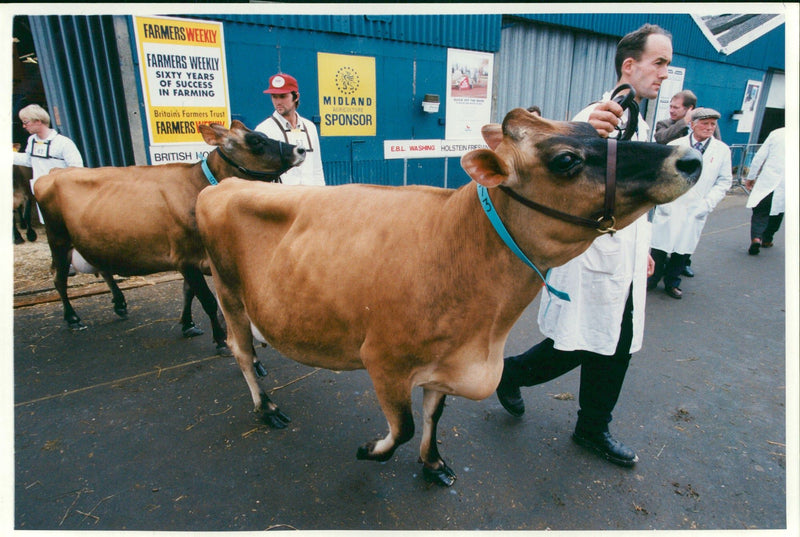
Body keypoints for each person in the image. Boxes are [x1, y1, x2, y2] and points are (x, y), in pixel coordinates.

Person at [495, 24, 673, 467]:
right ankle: (509, 374)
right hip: (592, 258)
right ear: (629, 66)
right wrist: (585, 132)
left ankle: (593, 428)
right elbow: (571, 157)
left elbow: (628, 192)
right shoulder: (603, 114)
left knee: (618, 343)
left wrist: (643, 248)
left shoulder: (640, 119)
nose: (665, 73)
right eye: (659, 63)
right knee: (575, 344)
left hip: (625, 258)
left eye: (667, 64)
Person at [648, 108, 732, 298]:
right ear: (692, 125)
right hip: (672, 203)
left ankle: (672, 282)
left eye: (712, 124)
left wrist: (707, 204)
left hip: (697, 206)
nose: (709, 128)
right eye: (704, 123)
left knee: (683, 249)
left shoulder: (722, 150)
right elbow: (662, 175)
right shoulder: (676, 145)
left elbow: (724, 181)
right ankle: (652, 278)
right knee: (660, 245)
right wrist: (664, 200)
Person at [13, 104, 84, 223]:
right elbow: (29, 160)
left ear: (38, 121)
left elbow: (77, 168)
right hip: (42, 193)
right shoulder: (32, 140)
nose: (24, 126)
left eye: (26, 122)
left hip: (62, 194)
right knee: (50, 228)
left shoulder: (64, 143)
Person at [255, 73, 326, 186]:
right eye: (274, 96)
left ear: (296, 97)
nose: (278, 102)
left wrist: (321, 196)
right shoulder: (264, 129)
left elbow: (317, 168)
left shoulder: (310, 127)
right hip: (283, 199)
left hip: (310, 197)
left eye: (283, 96)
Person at [744, 127, 785, 255]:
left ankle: (756, 237)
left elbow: (759, 157)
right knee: (777, 212)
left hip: (768, 179)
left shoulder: (777, 134)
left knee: (761, 210)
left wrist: (751, 177)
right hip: (787, 183)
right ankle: (767, 239)